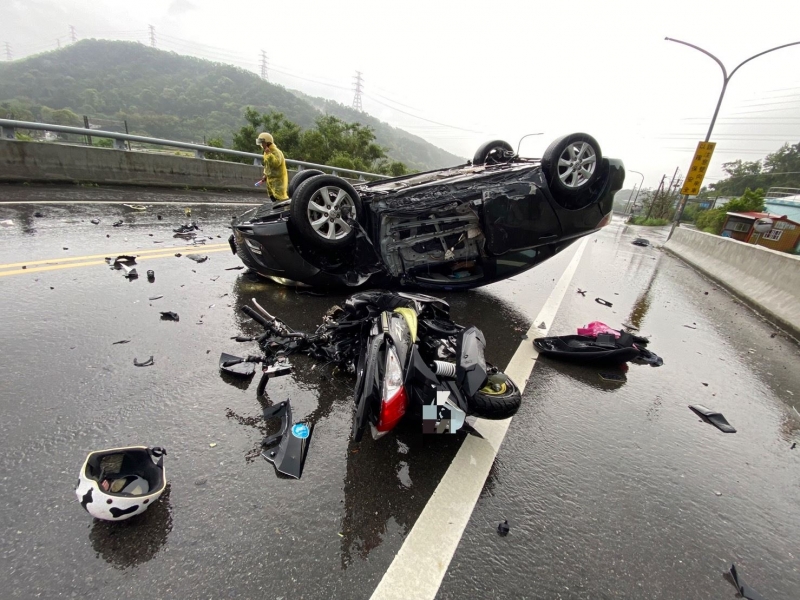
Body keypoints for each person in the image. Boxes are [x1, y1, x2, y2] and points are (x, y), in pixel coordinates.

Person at [256, 132, 289, 201]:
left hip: (278, 180)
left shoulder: (276, 152)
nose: (261, 145)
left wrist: (269, 154)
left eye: (262, 142)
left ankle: (283, 210)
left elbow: (276, 163)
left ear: (267, 142)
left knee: (280, 198)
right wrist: (265, 175)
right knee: (272, 196)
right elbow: (267, 165)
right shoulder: (266, 151)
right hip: (270, 179)